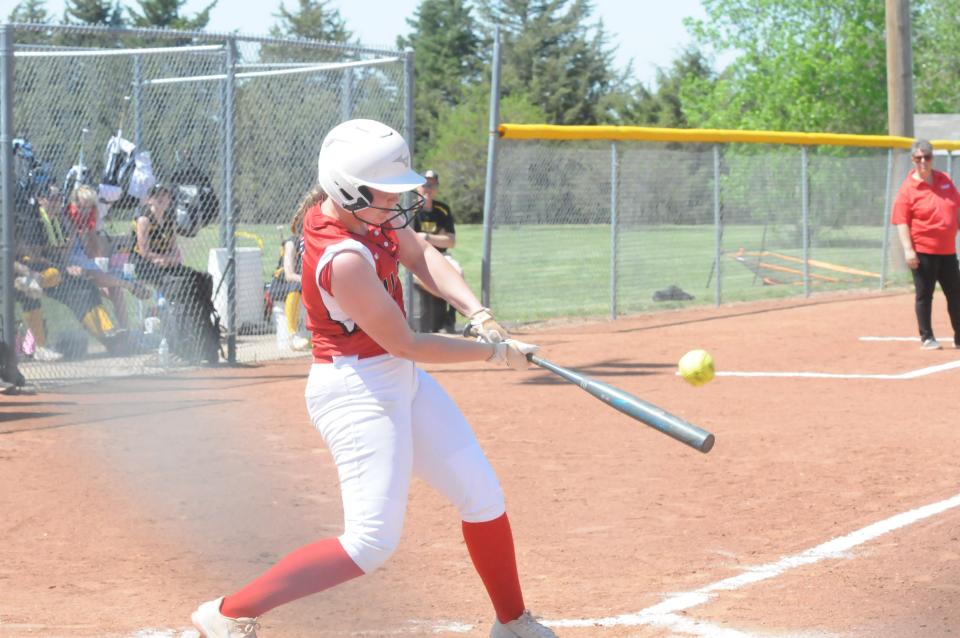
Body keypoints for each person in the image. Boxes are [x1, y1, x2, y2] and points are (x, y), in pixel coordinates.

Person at [190, 119, 556, 638]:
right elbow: (405, 341)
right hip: (356, 390)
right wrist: (493, 354)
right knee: (370, 542)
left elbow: (424, 254)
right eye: (388, 194)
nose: (399, 204)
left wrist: (478, 313)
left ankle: (511, 622)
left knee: (483, 495)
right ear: (349, 190)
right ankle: (225, 614)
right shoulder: (342, 258)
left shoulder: (367, 211)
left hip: (396, 377)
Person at [132, 184, 220, 363]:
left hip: (167, 264)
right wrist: (163, 260)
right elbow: (144, 252)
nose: (162, 199)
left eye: (165, 196)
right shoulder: (144, 219)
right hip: (146, 266)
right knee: (180, 285)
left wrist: (170, 258)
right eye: (157, 196)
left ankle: (202, 343)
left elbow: (173, 247)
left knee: (200, 279)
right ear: (150, 199)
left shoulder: (170, 217)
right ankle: (181, 346)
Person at [891, 138, 960, 350]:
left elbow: (956, 209)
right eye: (918, 158)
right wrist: (908, 250)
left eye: (927, 157)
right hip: (923, 251)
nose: (923, 162)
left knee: (956, 294)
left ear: (932, 159)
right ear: (913, 160)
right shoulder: (908, 188)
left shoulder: (945, 180)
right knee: (924, 295)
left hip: (947, 250)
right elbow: (901, 221)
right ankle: (927, 337)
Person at [411, 168, 461, 332]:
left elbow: (451, 241)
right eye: (425, 185)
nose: (428, 189)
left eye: (432, 185)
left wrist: (425, 237)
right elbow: (411, 240)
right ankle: (454, 299)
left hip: (442, 255)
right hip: (417, 257)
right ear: (418, 186)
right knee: (426, 280)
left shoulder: (443, 209)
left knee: (458, 273)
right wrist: (437, 237)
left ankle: (450, 319)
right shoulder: (410, 209)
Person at [268, 207, 310, 351]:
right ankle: (292, 335)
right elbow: (289, 275)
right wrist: (309, 280)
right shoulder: (291, 243)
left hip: (303, 286)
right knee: (297, 285)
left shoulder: (315, 243)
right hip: (282, 286)